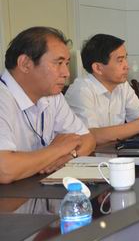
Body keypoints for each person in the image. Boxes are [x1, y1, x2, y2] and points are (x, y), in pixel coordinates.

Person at [0, 27, 95, 184]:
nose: (66, 73)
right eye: (58, 63)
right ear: (25, 64)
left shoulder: (52, 95)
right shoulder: (3, 98)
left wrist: (69, 155)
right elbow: (4, 170)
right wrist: (57, 150)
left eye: (66, 63)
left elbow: (87, 139)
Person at [65, 34, 139, 145]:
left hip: (115, 150)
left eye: (125, 58)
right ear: (98, 68)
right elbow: (90, 136)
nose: (127, 66)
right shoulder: (81, 90)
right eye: (120, 60)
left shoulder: (122, 85)